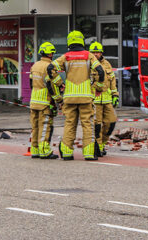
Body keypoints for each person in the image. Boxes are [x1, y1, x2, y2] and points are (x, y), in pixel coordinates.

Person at [53, 31, 105, 161]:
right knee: (87, 124)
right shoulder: (88, 56)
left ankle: (66, 153)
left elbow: (50, 69)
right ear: (82, 41)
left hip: (69, 97)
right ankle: (88, 153)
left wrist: (60, 84)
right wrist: (98, 87)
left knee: (70, 124)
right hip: (85, 97)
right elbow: (100, 71)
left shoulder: (65, 57)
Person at [29, 42, 63, 159]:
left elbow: (31, 84)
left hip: (34, 101)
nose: (53, 55)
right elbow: (51, 85)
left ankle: (35, 150)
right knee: (45, 127)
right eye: (52, 53)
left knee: (35, 127)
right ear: (50, 54)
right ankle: (44, 151)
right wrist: (59, 100)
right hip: (45, 102)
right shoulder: (49, 67)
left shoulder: (34, 65)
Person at [90, 42, 119, 158]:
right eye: (93, 52)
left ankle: (103, 142)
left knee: (111, 123)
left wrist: (115, 95)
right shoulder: (88, 64)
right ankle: (98, 147)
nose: (96, 54)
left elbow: (112, 81)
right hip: (95, 101)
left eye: (97, 52)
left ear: (101, 52)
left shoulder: (107, 64)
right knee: (96, 126)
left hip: (107, 100)